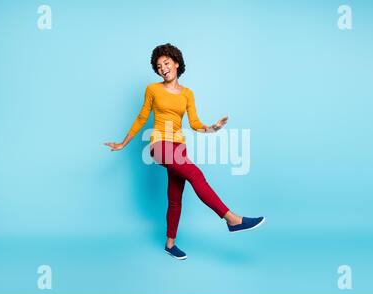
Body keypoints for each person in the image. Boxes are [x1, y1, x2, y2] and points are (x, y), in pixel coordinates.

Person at [104, 43, 265, 260]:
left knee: (175, 197)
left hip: (179, 146)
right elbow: (142, 117)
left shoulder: (188, 93)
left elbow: (195, 123)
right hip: (159, 145)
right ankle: (232, 219)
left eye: (166, 63)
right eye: (159, 65)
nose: (163, 68)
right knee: (196, 175)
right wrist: (124, 143)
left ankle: (170, 245)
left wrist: (212, 128)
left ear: (176, 63)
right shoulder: (153, 89)